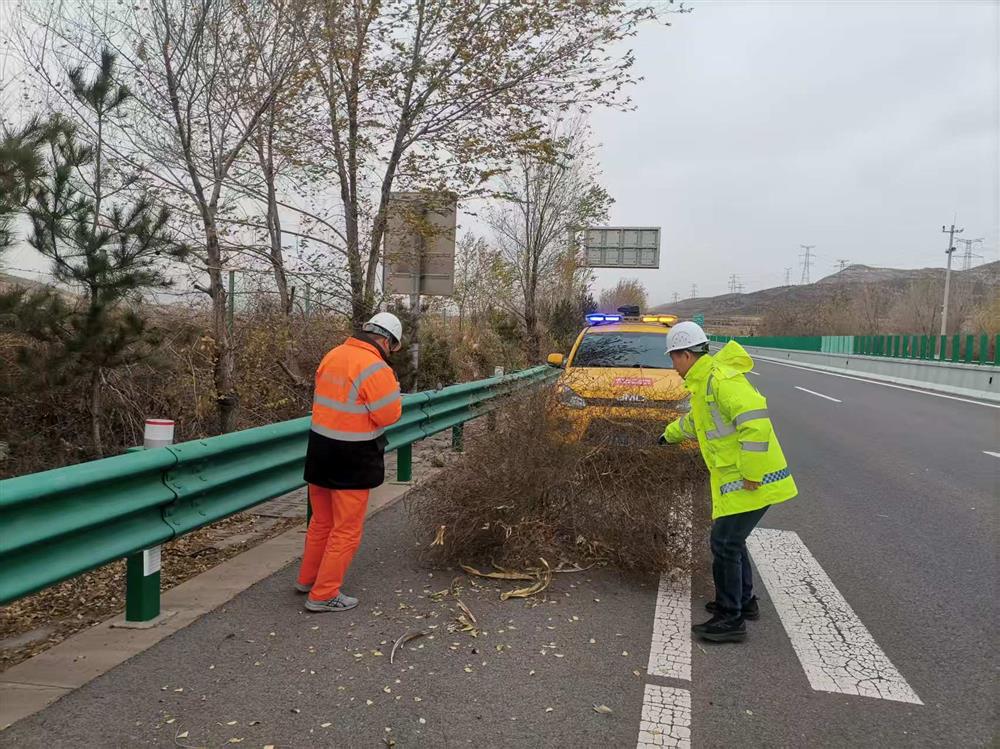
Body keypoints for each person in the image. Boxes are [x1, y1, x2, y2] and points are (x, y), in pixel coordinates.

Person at [659, 321, 797, 642]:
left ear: (686, 355)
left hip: (752, 480)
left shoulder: (720, 380)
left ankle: (730, 618)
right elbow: (697, 422)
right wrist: (669, 435)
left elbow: (755, 423)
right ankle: (744, 602)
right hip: (740, 480)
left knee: (724, 543)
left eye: (673, 358)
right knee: (733, 541)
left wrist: (751, 473)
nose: (673, 366)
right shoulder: (704, 383)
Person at [297, 312, 404, 612]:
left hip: (320, 450)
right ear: (387, 341)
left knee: (321, 522)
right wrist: (394, 392)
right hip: (352, 457)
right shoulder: (375, 367)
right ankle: (324, 594)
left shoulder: (333, 355)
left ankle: (308, 579)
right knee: (346, 530)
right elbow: (388, 415)